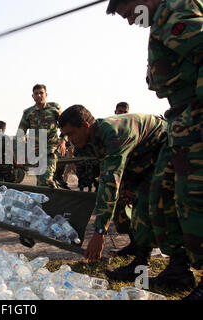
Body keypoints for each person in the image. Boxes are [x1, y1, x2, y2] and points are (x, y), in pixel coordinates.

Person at [107, 0, 203, 298]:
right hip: (181, 120)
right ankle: (175, 269)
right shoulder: (162, 19)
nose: (128, 21)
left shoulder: (175, 10)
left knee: (194, 200)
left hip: (196, 118)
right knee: (158, 196)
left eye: (127, 13)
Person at [58, 105, 167, 282]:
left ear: (85, 126)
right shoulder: (91, 138)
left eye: (71, 134)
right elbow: (107, 171)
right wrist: (124, 186)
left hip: (162, 145)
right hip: (139, 155)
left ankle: (150, 265)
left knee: (146, 202)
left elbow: (109, 183)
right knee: (122, 202)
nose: (69, 139)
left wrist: (99, 233)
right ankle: (137, 248)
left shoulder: (113, 135)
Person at [17, 84, 61, 188]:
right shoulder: (28, 112)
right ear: (33, 96)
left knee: (45, 179)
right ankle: (50, 199)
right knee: (41, 181)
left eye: (41, 93)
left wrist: (63, 140)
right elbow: (21, 132)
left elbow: (66, 125)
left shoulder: (54, 108)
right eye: (36, 93)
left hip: (51, 149)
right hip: (35, 152)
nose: (39, 95)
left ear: (46, 94)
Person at [112, 101, 135, 257]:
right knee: (122, 212)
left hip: (133, 174)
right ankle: (134, 244)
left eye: (125, 111)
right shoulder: (112, 130)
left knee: (135, 211)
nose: (122, 114)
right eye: (119, 111)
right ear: (115, 112)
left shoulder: (133, 129)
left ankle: (139, 246)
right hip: (120, 175)